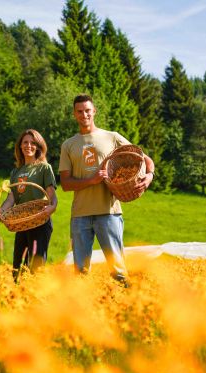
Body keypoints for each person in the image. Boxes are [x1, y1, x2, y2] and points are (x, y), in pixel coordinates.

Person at [59, 94, 155, 286]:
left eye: (87, 110)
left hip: (109, 213)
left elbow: (145, 159)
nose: (84, 114)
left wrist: (149, 177)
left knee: (118, 271)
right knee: (80, 273)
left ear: (94, 111)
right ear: (74, 114)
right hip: (80, 215)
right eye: (79, 111)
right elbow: (66, 184)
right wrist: (92, 180)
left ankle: (126, 310)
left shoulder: (112, 137)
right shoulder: (68, 145)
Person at [0, 129, 57, 280]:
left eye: (33, 143)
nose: (29, 146)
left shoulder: (44, 168)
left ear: (38, 146)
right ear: (20, 147)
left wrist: (51, 207)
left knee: (35, 268)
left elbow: (51, 196)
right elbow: (11, 198)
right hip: (22, 223)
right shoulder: (16, 171)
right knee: (18, 267)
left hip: (40, 221)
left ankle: (33, 299)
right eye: (25, 142)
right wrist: (0, 211)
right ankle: (17, 299)